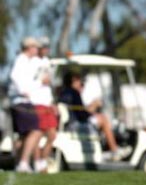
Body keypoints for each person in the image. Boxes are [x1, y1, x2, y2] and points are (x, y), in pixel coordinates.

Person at [58, 72, 130, 161]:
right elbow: (82, 114)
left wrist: (92, 110)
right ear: (72, 81)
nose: (80, 83)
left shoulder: (65, 92)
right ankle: (114, 150)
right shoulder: (73, 93)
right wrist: (94, 106)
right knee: (103, 119)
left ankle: (107, 149)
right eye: (78, 80)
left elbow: (80, 111)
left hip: (73, 122)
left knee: (100, 118)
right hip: (75, 124)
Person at [8, 37, 44, 173]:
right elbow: (14, 76)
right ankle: (23, 162)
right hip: (20, 101)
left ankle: (18, 162)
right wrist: (22, 91)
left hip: (23, 101)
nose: (37, 49)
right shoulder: (21, 59)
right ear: (29, 47)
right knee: (35, 130)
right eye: (35, 47)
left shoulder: (28, 61)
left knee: (24, 135)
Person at [31, 37, 59, 173]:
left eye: (48, 47)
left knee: (52, 134)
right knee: (37, 134)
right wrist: (41, 81)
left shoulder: (47, 62)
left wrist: (52, 102)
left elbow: (50, 85)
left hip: (47, 103)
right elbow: (30, 83)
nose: (46, 49)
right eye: (44, 47)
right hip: (37, 102)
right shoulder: (33, 62)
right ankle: (38, 163)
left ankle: (43, 160)